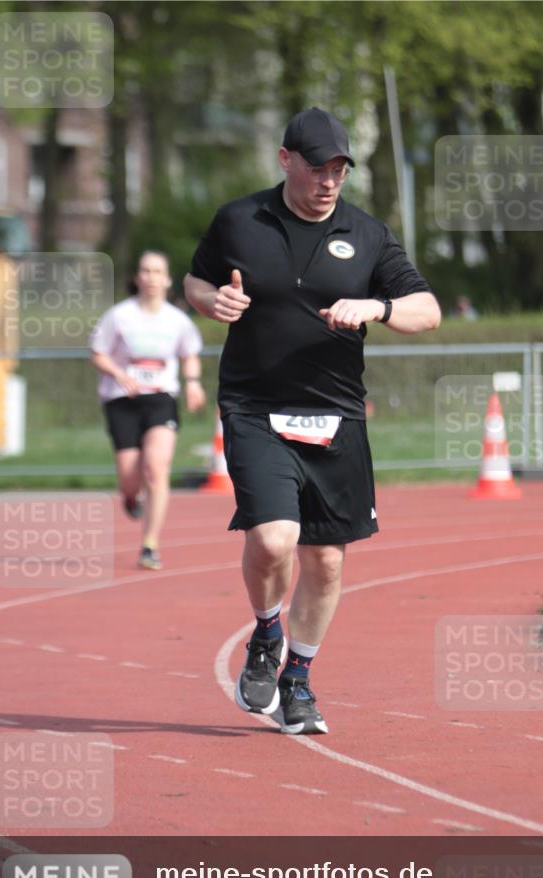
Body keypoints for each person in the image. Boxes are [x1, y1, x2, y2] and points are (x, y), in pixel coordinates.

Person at [185, 107, 440, 734]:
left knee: (325, 562)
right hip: (253, 406)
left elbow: (427, 310)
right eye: (318, 167)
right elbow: (195, 280)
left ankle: (297, 680)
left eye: (339, 169)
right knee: (273, 539)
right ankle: (265, 634)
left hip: (336, 414)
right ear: (285, 160)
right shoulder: (239, 219)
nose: (329, 180)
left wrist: (377, 306)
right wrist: (210, 300)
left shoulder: (369, 233)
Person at [91, 250, 206, 569]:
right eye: (146, 271)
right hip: (122, 399)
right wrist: (119, 373)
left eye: (158, 271)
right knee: (130, 477)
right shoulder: (119, 316)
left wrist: (193, 382)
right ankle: (131, 496)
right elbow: (98, 353)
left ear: (167, 279)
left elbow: (190, 354)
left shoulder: (177, 320)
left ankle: (149, 544)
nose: (152, 277)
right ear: (137, 277)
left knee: (156, 468)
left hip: (160, 399)